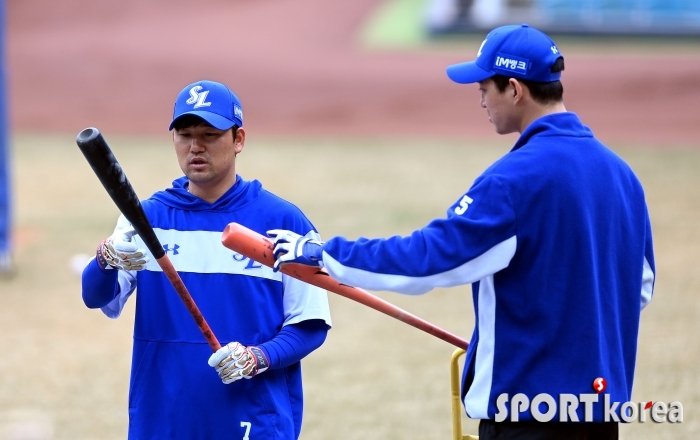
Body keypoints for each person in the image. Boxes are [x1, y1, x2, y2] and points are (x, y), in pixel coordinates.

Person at [268, 24, 654, 440]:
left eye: (484, 88)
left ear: (514, 89)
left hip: (526, 416)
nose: (481, 100)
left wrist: (324, 254)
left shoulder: (513, 180)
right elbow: (640, 287)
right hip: (599, 414)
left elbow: (429, 259)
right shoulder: (622, 175)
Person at [81, 80, 332, 439]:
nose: (195, 146)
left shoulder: (284, 223)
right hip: (162, 418)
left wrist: (259, 358)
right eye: (184, 135)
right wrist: (105, 259)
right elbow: (95, 297)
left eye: (210, 134)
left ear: (239, 139)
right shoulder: (146, 219)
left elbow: (310, 325)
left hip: (255, 419)